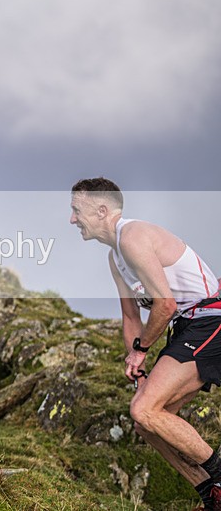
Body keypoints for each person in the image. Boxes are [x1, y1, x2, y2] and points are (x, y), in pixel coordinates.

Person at [71, 178, 221, 510]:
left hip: (210, 321)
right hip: (187, 327)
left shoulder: (134, 237)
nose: (72, 219)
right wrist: (136, 365)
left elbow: (164, 305)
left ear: (101, 210)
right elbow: (130, 318)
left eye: (76, 210)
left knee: (143, 409)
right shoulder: (116, 258)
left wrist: (142, 349)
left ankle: (219, 474)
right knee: (148, 422)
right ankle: (211, 495)